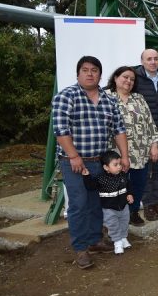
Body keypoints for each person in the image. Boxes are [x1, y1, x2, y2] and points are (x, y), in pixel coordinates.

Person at [52, 55, 129, 269]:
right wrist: (74, 156)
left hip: (101, 162)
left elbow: (119, 130)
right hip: (75, 162)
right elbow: (61, 131)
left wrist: (124, 156)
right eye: (85, 69)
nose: (89, 73)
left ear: (100, 75)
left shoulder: (109, 100)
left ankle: (95, 240)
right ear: (78, 73)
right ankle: (81, 248)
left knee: (97, 202)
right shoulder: (66, 96)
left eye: (94, 70)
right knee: (78, 205)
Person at [105, 67, 158, 226]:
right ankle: (115, 217)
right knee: (116, 187)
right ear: (115, 78)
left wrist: (154, 145)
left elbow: (150, 123)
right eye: (125, 77)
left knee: (138, 184)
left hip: (140, 153)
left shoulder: (139, 98)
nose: (128, 81)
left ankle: (133, 212)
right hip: (115, 154)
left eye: (132, 79)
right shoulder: (106, 97)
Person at [134, 49, 158, 221]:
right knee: (146, 171)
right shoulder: (135, 79)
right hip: (144, 135)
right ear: (142, 61)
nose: (153, 62)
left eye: (156, 59)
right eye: (149, 59)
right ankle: (148, 205)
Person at [82, 151, 134, 255]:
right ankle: (117, 242)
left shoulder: (123, 175)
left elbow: (128, 185)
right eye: (115, 165)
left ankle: (123, 238)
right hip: (109, 209)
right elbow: (90, 187)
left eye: (119, 164)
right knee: (113, 225)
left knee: (124, 223)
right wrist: (86, 176)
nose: (119, 167)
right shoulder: (101, 179)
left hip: (124, 207)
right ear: (106, 167)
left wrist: (130, 194)